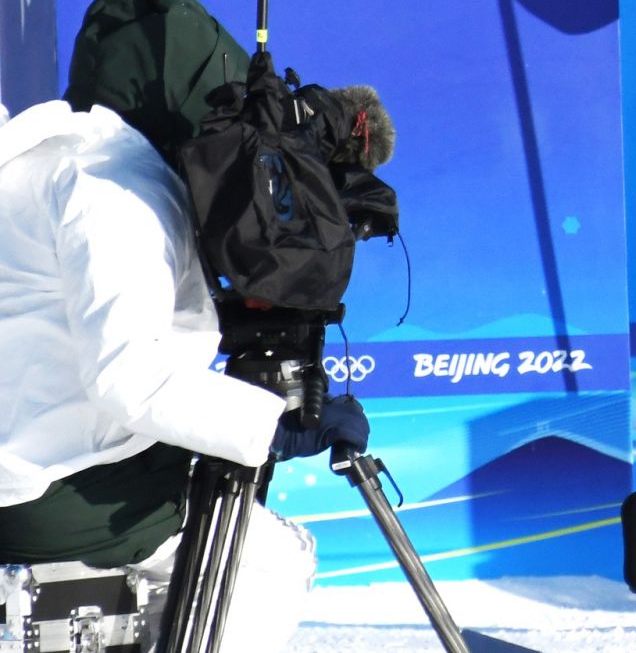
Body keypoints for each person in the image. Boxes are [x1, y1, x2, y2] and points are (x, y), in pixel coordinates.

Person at [0, 97, 371, 652]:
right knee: (270, 564)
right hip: (43, 485)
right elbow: (130, 375)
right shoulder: (116, 190)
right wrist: (272, 427)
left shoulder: (44, 162)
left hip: (33, 454)